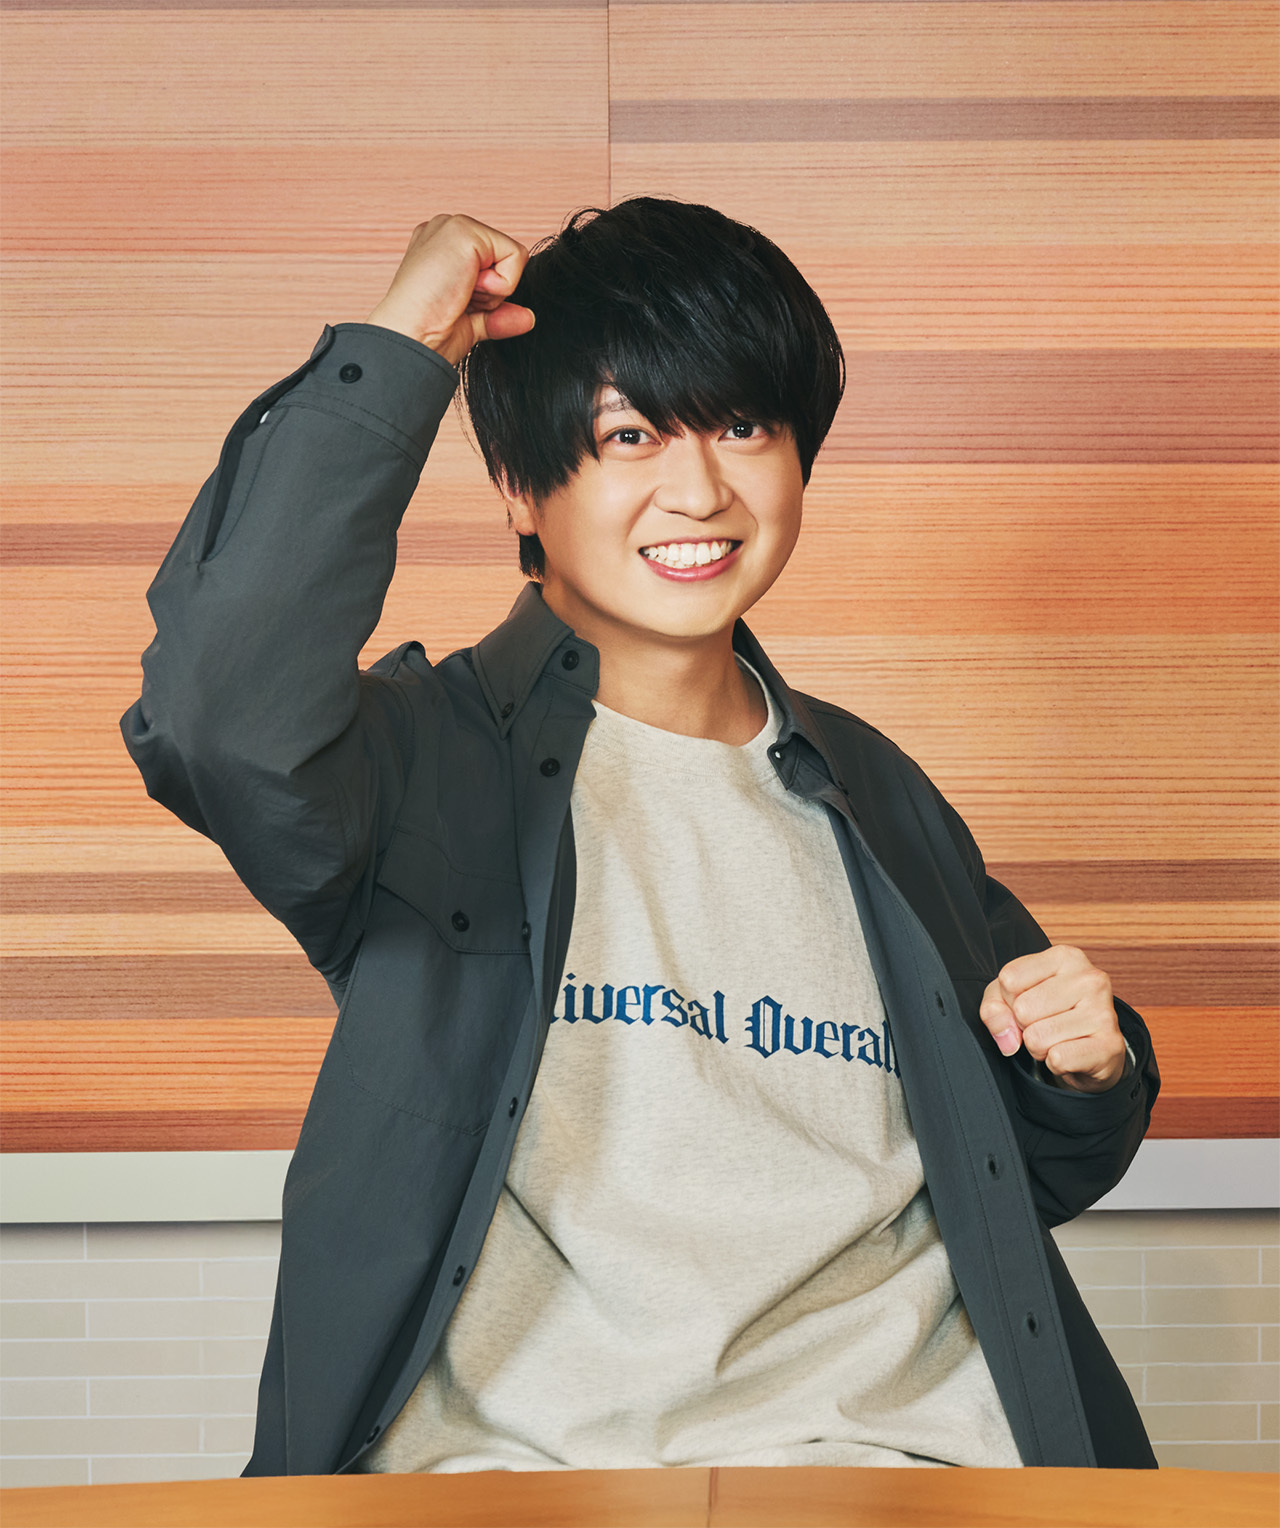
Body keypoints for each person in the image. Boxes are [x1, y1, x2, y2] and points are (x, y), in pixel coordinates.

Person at [120, 201, 1160, 1478]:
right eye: (630, 434)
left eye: (743, 426)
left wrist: (1083, 1072)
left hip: (910, 1469)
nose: (701, 489)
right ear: (519, 486)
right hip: (516, 1484)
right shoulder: (421, 764)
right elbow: (215, 714)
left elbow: (1021, 1169)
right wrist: (397, 347)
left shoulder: (874, 791)